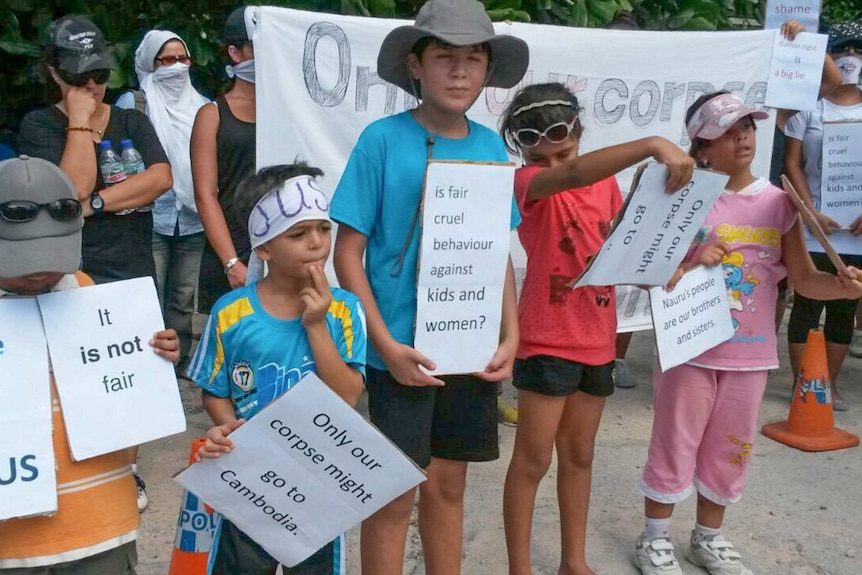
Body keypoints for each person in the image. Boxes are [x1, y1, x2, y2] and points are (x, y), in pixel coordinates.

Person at [330, 1, 528, 572]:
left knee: (447, 486)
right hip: (400, 350)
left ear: (488, 69)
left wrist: (510, 336)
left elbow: (498, 255)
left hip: (467, 347)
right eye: (445, 58)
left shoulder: (492, 148)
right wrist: (385, 346)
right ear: (416, 66)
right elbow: (348, 254)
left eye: (473, 59)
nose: (460, 72)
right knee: (392, 493)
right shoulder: (381, 140)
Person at [634, 91, 862, 575]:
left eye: (748, 128)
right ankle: (654, 539)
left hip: (751, 356)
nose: (741, 138)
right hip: (689, 351)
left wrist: (842, 289)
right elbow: (651, 270)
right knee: (675, 442)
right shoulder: (681, 196)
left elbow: (801, 279)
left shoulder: (781, 204)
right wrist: (693, 258)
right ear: (701, 148)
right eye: (726, 131)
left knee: (730, 447)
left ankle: (707, 539)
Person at [498, 82, 693, 575]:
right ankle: (519, 568)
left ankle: (574, 562)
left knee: (580, 455)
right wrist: (652, 142)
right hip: (545, 339)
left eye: (563, 150)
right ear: (522, 149)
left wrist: (667, 269)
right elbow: (574, 173)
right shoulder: (525, 184)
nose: (555, 163)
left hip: (597, 339)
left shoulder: (604, 186)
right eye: (541, 155)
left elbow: (612, 254)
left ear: (580, 134)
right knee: (532, 459)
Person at [19, 13, 173, 514]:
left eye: (100, 75)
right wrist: (81, 123)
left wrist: (100, 205)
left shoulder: (132, 121)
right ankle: (70, 471)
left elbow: (160, 178)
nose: (92, 85)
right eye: (81, 76)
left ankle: (125, 469)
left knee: (127, 378)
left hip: (130, 269)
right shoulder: (41, 126)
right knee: (73, 380)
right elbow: (73, 188)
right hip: (69, 271)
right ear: (54, 73)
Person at [0, 155, 179, 574]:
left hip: (102, 529)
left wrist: (152, 356)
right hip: (11, 541)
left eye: (51, 258)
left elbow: (122, 398)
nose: (39, 273)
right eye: (22, 262)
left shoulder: (93, 295)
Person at [188, 164, 366, 575]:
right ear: (264, 248)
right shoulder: (231, 313)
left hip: (319, 482)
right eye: (298, 234)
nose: (317, 244)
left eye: (323, 229)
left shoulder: (343, 310)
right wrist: (230, 429)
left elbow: (347, 397)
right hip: (251, 479)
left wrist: (316, 324)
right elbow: (215, 389)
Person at [116, 30, 208, 373]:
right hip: (149, 214)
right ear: (149, 63)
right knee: (148, 294)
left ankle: (179, 361)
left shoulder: (202, 106)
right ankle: (147, 364)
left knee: (184, 298)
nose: (177, 67)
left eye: (183, 59)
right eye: (167, 60)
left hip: (193, 217)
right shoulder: (134, 103)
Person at [785, 20, 862, 412]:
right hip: (814, 229)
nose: (851, 59)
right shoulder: (807, 110)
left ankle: (828, 383)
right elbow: (792, 162)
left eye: (857, 51)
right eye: (844, 50)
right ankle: (803, 382)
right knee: (806, 304)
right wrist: (809, 210)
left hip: (856, 233)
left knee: (845, 306)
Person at [192, 6, 256, 315]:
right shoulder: (212, 114)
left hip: (281, 249)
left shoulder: (292, 110)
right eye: (258, 47)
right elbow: (206, 194)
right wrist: (231, 261)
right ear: (236, 52)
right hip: (231, 252)